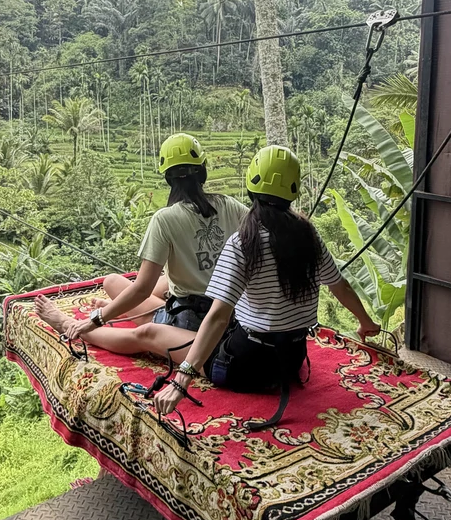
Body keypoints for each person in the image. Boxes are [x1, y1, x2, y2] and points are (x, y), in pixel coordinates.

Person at [155, 145, 379, 429]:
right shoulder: (308, 234)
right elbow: (340, 285)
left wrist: (181, 380)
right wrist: (365, 322)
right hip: (292, 360)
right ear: (293, 189)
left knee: (154, 333)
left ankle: (98, 326)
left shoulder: (243, 243)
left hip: (243, 369)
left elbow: (218, 316)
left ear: (251, 185)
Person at [35, 132, 244, 360]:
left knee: (143, 332)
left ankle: (71, 325)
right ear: (202, 170)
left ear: (168, 178)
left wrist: (97, 318)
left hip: (191, 321)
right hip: (225, 311)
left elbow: (142, 289)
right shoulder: (229, 205)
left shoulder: (165, 219)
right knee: (113, 282)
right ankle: (118, 309)